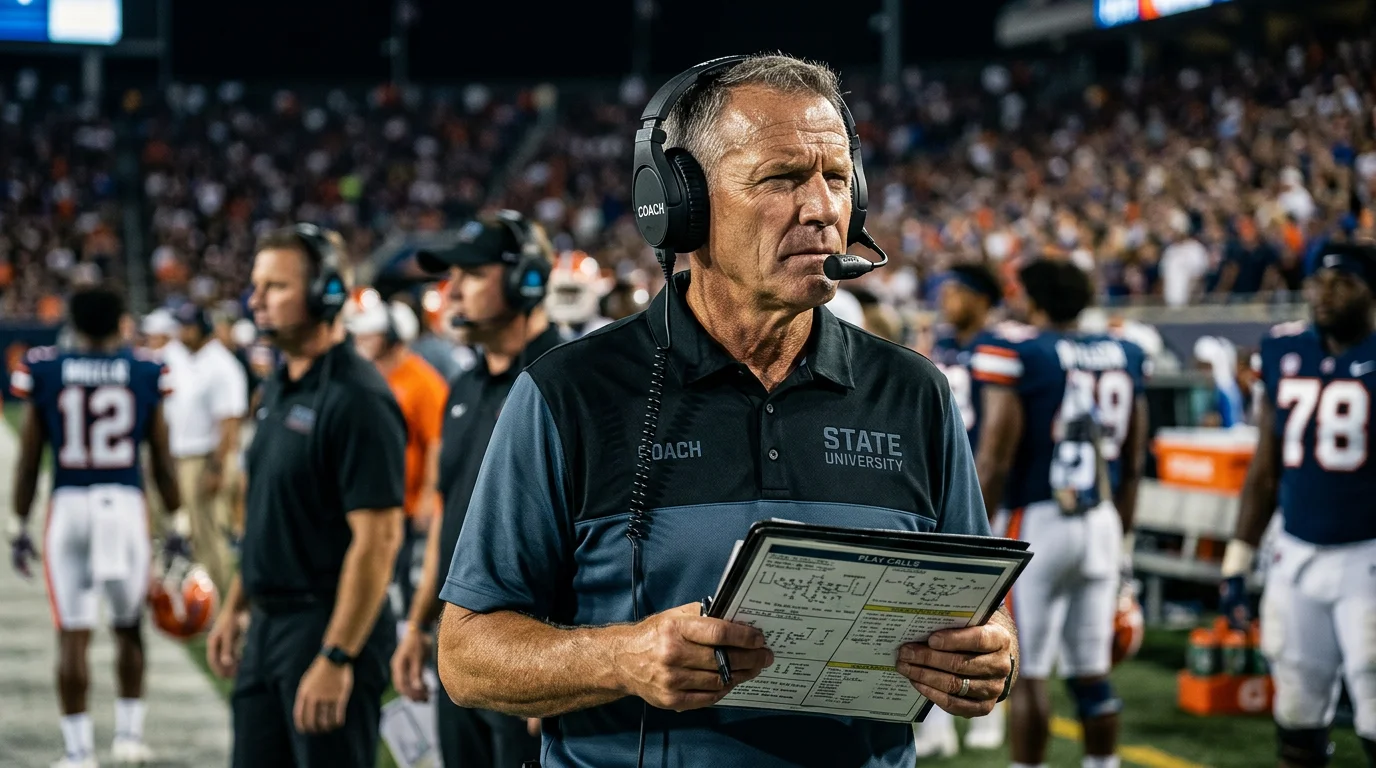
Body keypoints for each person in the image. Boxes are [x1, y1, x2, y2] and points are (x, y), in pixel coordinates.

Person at [432, 54, 1017, 768]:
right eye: (781, 179)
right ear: (679, 204)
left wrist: (990, 658)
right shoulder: (569, 392)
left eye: (837, 178)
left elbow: (979, 615)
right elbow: (466, 657)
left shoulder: (912, 392)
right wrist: (620, 657)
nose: (823, 209)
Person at [203, 224, 407, 768]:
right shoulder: (276, 384)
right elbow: (267, 514)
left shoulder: (358, 397)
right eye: (256, 285)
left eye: (275, 287)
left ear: (326, 293)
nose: (255, 300)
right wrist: (236, 606)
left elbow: (379, 540)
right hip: (268, 627)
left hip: (323, 625)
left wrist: (337, 655)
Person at [390, 210, 559, 768]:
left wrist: (562, 658)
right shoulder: (462, 384)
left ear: (525, 280)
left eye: (472, 274)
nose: (452, 289)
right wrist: (420, 624)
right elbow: (446, 512)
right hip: (461, 646)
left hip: (528, 653)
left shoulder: (572, 380)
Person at [971, 260, 1149, 768]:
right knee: (1092, 670)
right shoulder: (1127, 352)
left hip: (1039, 522)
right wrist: (1124, 541)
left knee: (1027, 671)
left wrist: (973, 536)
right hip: (1103, 523)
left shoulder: (1018, 349)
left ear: (1037, 299)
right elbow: (1134, 461)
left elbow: (996, 457)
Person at [8, 285, 183, 768]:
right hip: (125, 506)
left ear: (74, 323)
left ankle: (78, 752)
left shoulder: (45, 368)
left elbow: (28, 461)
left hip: (69, 506)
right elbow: (163, 460)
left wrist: (18, 522)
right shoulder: (145, 369)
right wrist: (179, 521)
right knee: (128, 627)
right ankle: (128, 739)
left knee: (73, 632)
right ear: (121, 321)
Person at [1221, 243, 1376, 768]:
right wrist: (1237, 564)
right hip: (1297, 552)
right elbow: (1265, 469)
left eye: (1343, 281)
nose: (1325, 292)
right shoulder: (1286, 349)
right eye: (1318, 281)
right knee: (1296, 720)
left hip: (1368, 556)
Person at [915, 262, 1007, 758]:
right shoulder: (947, 347)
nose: (946, 299)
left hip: (987, 490)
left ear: (980, 297)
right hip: (944, 482)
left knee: (993, 612)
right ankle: (936, 724)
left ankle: (991, 714)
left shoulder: (1001, 346)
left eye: (956, 291)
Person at [345, 295, 449, 636]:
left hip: (404, 499)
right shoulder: (370, 376)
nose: (363, 340)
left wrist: (427, 495)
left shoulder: (422, 380)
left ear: (391, 336)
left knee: (402, 580)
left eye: (371, 334)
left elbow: (436, 441)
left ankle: (407, 640)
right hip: (371, 495)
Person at [162, 301, 248, 594]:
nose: (182, 332)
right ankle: (193, 603)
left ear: (202, 329)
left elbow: (230, 422)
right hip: (177, 456)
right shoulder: (176, 355)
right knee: (183, 536)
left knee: (209, 537)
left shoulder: (221, 363)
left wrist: (216, 467)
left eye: (188, 327)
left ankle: (222, 605)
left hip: (205, 457)